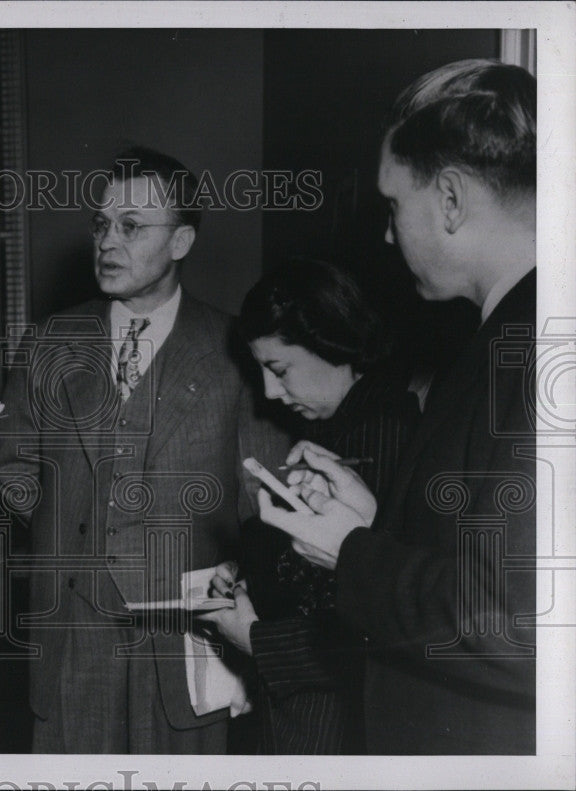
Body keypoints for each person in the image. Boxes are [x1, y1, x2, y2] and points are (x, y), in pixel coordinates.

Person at [257, 59, 537, 754]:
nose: (386, 235)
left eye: (392, 206)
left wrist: (350, 552)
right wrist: (373, 521)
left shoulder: (534, 348)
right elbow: (486, 559)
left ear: (448, 199)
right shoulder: (501, 337)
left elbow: (524, 618)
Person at [0, 146, 288, 753]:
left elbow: (262, 490)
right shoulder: (51, 341)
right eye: (101, 225)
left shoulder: (234, 349)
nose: (108, 242)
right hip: (72, 636)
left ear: (180, 242)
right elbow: (11, 467)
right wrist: (73, 536)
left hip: (188, 638)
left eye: (131, 227)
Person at [201, 258, 420, 753]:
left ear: (333, 343)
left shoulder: (378, 439)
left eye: (279, 370)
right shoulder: (346, 427)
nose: (270, 392)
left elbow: (371, 625)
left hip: (333, 725)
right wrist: (249, 576)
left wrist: (255, 639)